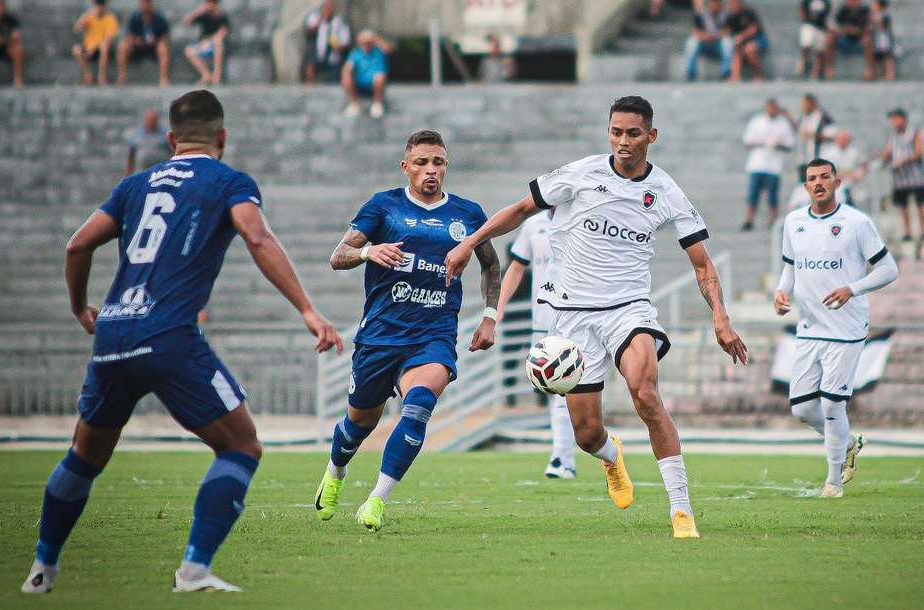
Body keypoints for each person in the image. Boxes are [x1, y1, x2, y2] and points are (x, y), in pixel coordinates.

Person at [20, 90, 343, 594]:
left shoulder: (133, 185)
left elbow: (77, 244)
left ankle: (42, 569)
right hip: (168, 333)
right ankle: (193, 570)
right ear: (223, 137)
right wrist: (307, 308)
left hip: (113, 333)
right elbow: (257, 237)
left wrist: (80, 307)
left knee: (84, 457)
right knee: (240, 446)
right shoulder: (228, 181)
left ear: (171, 139)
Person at [444, 96, 749, 539]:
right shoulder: (582, 173)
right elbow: (519, 210)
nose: (623, 142)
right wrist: (470, 243)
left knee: (645, 393)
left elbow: (702, 265)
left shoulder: (666, 192)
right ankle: (611, 458)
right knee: (586, 433)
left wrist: (720, 317)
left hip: (629, 310)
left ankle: (681, 510)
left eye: (633, 133)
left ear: (652, 136)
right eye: (616, 132)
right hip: (572, 317)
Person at [314, 130, 500, 531]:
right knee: (357, 426)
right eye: (421, 163)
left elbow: (491, 264)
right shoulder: (384, 207)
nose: (431, 170)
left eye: (438, 162)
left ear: (446, 165)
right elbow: (338, 255)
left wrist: (489, 315)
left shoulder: (467, 214)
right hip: (380, 335)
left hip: (433, 335)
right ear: (406, 167)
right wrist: (368, 251)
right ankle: (335, 471)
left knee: (418, 407)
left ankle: (376, 500)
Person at [773, 157, 898, 498]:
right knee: (801, 409)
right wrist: (782, 292)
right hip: (810, 326)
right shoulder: (794, 221)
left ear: (837, 181)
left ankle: (833, 481)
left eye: (824, 177)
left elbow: (889, 270)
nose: (818, 183)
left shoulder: (857, 222)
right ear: (805, 186)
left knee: (832, 405)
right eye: (812, 178)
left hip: (846, 327)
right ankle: (847, 444)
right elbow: (790, 268)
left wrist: (852, 288)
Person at [496, 212, 575, 478]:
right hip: (541, 320)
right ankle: (563, 458)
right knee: (556, 387)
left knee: (568, 387)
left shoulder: (583, 217)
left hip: (576, 315)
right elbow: (516, 267)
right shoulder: (533, 224)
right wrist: (499, 308)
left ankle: (563, 457)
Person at [741, 98, 795, 230]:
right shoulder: (757, 121)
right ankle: (749, 219)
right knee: (753, 193)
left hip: (774, 165)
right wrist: (762, 142)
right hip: (757, 163)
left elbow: (790, 144)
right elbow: (747, 140)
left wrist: (778, 145)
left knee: (773, 195)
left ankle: (774, 220)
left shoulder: (783, 124)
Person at [880, 107, 924, 242]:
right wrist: (884, 158)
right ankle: (907, 231)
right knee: (903, 206)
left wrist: (904, 161)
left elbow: (919, 152)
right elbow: (888, 152)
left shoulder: (914, 133)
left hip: (915, 175)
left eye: (895, 119)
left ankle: (923, 230)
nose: (893, 122)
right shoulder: (893, 136)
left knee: (920, 203)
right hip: (900, 178)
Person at [117, 0, 171, 86]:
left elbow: (166, 37)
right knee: (122, 46)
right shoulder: (134, 18)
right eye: (144, 3)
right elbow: (129, 36)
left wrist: (156, 41)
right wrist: (137, 41)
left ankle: (163, 77)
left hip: (154, 47)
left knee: (163, 47)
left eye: (148, 3)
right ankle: (122, 75)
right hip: (137, 47)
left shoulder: (159, 18)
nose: (146, 5)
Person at [341, 30, 392, 118]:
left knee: (380, 76)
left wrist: (375, 39)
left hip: (376, 83)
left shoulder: (379, 52)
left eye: (368, 42)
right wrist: (349, 69)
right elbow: (349, 65)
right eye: (364, 42)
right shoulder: (355, 52)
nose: (366, 44)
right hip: (359, 82)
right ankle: (353, 104)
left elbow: (389, 49)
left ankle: (377, 104)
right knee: (346, 72)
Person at [822, 0, 873, 81]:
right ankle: (829, 69)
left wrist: (857, 31)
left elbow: (869, 27)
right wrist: (845, 30)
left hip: (859, 40)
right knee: (830, 38)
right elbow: (832, 25)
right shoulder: (842, 9)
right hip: (844, 39)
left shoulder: (865, 10)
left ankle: (869, 70)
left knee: (868, 39)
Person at [72, 0, 119, 86]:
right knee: (76, 49)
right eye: (98, 5)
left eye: (101, 4)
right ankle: (88, 76)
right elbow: (77, 28)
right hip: (89, 48)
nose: (100, 7)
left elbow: (108, 38)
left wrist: (93, 48)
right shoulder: (89, 16)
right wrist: (85, 17)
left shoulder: (110, 18)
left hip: (102, 48)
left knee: (104, 47)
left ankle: (102, 77)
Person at [684, 0, 733, 81]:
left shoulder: (726, 15)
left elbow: (728, 31)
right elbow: (695, 31)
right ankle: (691, 73)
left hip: (718, 44)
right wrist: (705, 36)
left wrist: (715, 36)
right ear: (709, 4)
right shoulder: (701, 15)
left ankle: (725, 72)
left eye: (717, 3)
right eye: (713, 3)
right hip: (704, 43)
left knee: (728, 42)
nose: (715, 5)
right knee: (691, 42)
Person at [303, 0, 350, 84]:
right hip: (316, 51)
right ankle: (309, 84)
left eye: (330, 8)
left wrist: (338, 46)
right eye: (326, 7)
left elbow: (346, 42)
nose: (328, 10)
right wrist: (321, 19)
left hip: (334, 53)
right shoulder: (315, 17)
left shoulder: (340, 21)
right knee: (310, 63)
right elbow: (309, 31)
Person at [183, 0, 230, 85]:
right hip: (203, 47)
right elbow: (186, 22)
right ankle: (206, 75)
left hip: (218, 47)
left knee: (218, 42)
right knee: (188, 50)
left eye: (209, 3)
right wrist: (198, 11)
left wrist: (209, 40)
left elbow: (222, 34)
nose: (207, 5)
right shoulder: (204, 15)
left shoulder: (223, 17)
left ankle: (216, 78)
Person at [820, 130, 866, 206]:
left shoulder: (853, 152)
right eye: (842, 139)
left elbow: (864, 164)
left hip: (852, 184)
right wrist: (845, 174)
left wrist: (860, 172)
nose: (844, 141)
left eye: (846, 139)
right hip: (835, 185)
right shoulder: (829, 153)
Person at [727, 0, 769, 82]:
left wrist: (742, 36)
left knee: (749, 49)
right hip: (743, 42)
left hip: (759, 39)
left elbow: (754, 29)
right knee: (737, 48)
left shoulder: (749, 13)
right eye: (731, 4)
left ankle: (759, 75)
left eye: (735, 3)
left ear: (740, 3)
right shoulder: (731, 17)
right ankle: (735, 76)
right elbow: (729, 32)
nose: (732, 5)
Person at [125, 109, 172, 175]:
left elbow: (173, 152)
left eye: (153, 120)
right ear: (145, 120)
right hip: (142, 172)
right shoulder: (136, 135)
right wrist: (128, 175)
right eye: (149, 120)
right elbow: (130, 156)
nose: (151, 122)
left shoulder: (165, 134)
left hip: (161, 172)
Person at [794, 93, 836, 167]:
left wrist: (814, 135)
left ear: (812, 103)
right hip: (803, 159)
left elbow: (833, 134)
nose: (802, 106)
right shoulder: (803, 117)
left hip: (818, 159)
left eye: (805, 103)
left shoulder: (823, 116)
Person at [798, 0, 831, 79]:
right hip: (810, 25)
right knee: (807, 33)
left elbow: (827, 17)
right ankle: (804, 60)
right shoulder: (806, 1)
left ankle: (815, 73)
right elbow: (802, 14)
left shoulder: (826, 2)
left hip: (822, 28)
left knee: (820, 49)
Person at [869, 0, 896, 81]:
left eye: (874, 5)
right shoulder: (874, 15)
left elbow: (883, 26)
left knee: (888, 58)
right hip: (877, 42)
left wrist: (875, 20)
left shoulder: (885, 15)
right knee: (878, 58)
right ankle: (880, 74)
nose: (872, 7)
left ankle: (890, 74)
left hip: (885, 41)